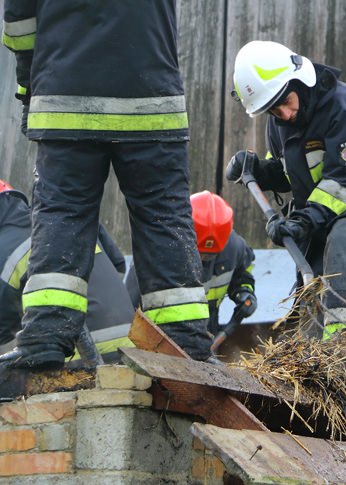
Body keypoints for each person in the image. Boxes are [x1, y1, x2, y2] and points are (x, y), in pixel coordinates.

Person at [1, 1, 211, 369]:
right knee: (163, 217)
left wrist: (29, 86)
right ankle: (185, 347)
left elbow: (19, 20)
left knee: (63, 214)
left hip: (66, 96)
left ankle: (46, 340)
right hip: (151, 95)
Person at [225, 40, 346, 339]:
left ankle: (345, 345)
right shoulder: (279, 124)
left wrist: (306, 219)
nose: (284, 114)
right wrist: (257, 170)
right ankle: (314, 356)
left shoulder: (343, 106)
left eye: (285, 101)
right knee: (314, 279)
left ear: (299, 81)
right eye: (273, 110)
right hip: (331, 208)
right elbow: (288, 173)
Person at [0, 180, 135, 363]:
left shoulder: (4, 248)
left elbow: (2, 322)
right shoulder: (60, 218)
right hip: (133, 347)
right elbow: (119, 264)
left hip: (80, 356)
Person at [126, 191, 257, 336]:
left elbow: (243, 274)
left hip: (207, 335)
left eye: (209, 256)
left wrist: (244, 292)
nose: (201, 259)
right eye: (197, 253)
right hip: (162, 341)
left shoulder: (234, 248)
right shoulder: (156, 252)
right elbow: (129, 308)